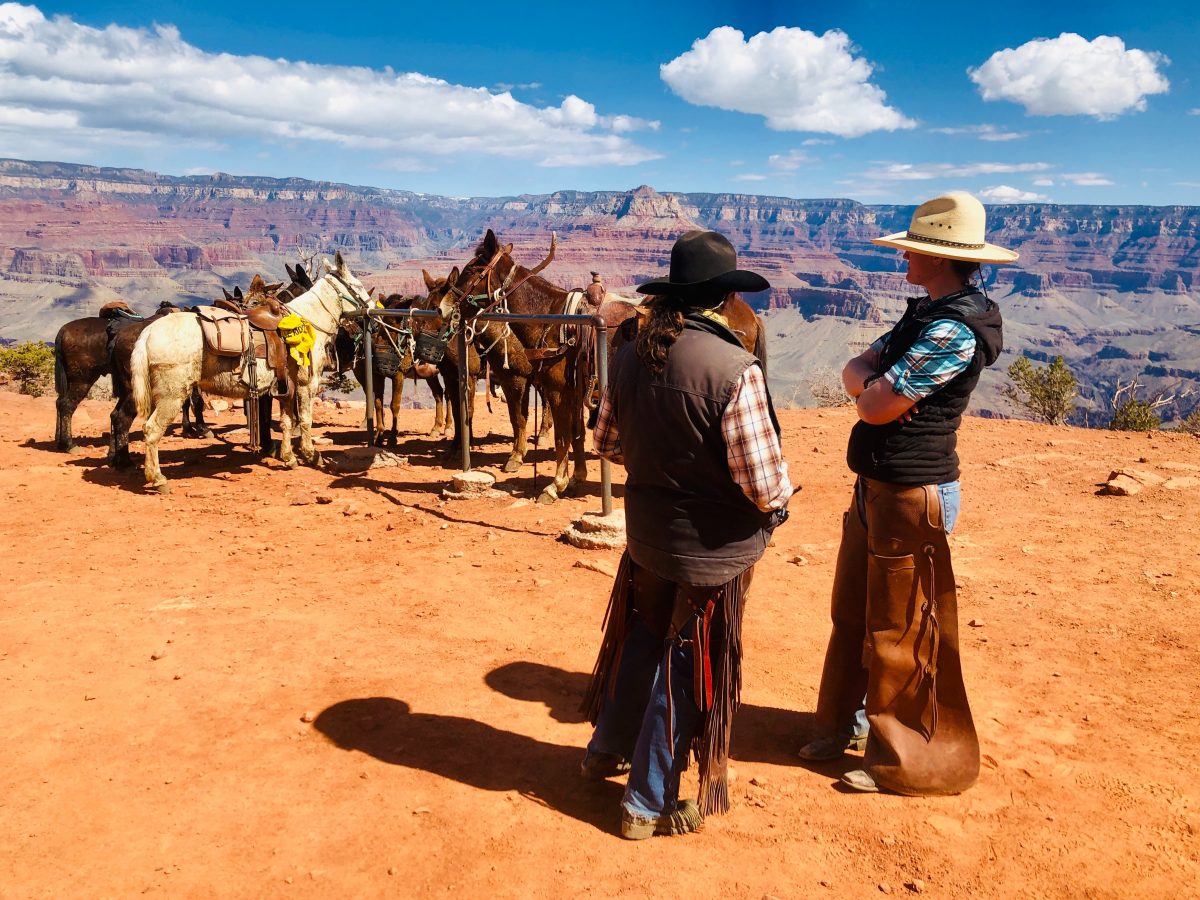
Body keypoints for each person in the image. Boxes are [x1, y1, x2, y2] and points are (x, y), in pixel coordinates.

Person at [798, 191, 1017, 795]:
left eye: (913, 251)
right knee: (853, 614)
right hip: (877, 485)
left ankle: (905, 759)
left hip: (915, 491)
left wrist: (872, 387)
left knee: (900, 628)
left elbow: (871, 400)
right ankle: (840, 725)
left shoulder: (954, 328)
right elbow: (858, 373)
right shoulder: (925, 313)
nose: (904, 261)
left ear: (940, 258)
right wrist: (872, 385)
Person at [580, 230, 794, 839]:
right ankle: (646, 802)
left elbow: (608, 445)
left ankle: (605, 749)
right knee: (687, 662)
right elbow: (763, 485)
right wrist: (779, 507)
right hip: (715, 553)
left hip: (647, 536)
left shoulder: (628, 355)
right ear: (727, 296)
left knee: (643, 637)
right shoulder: (734, 368)